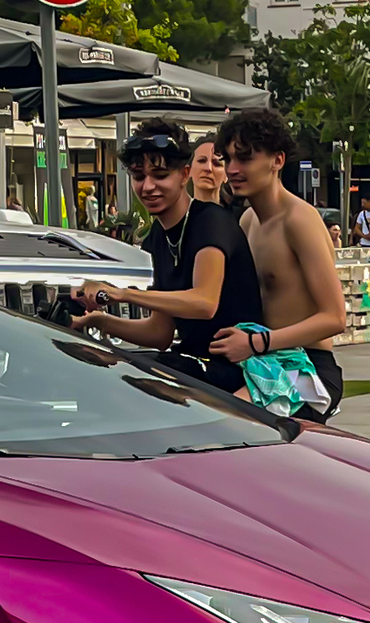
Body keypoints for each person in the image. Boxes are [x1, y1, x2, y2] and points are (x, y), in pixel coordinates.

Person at [70, 118, 263, 393]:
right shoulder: (158, 236)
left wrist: (121, 294)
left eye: (160, 175)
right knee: (102, 370)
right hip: (192, 362)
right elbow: (159, 333)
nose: (148, 187)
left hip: (235, 366)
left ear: (184, 175)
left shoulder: (211, 221)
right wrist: (96, 321)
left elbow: (204, 302)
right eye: (138, 176)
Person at [214, 108, 349, 419]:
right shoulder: (248, 220)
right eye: (228, 159)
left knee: (228, 421)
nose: (233, 169)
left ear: (277, 160)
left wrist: (257, 343)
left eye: (245, 158)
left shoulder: (299, 219)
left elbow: (335, 318)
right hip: (263, 362)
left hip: (310, 371)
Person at [188, 135, 243, 216]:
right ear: (189, 170)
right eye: (201, 161)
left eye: (217, 164)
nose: (208, 168)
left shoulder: (240, 218)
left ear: (227, 175)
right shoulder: (175, 217)